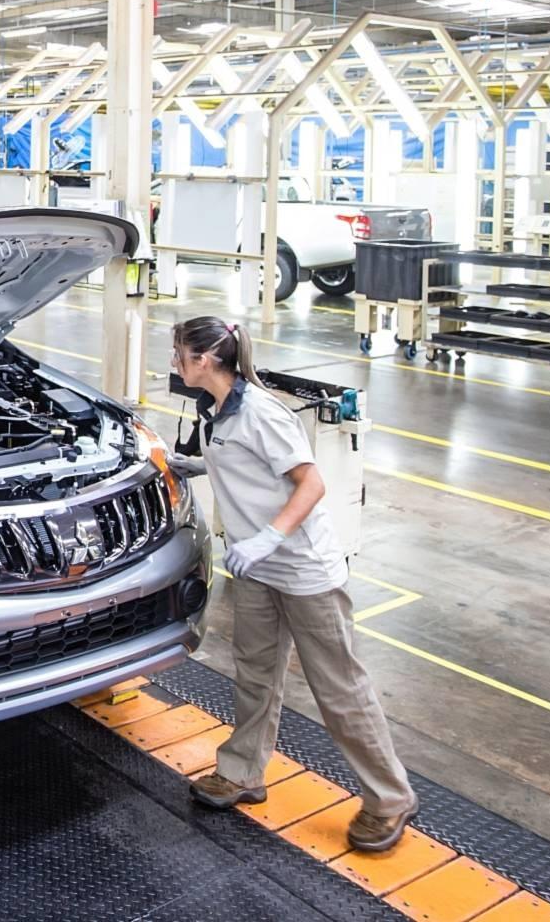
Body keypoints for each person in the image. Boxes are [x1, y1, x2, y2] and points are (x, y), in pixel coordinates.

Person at [170, 315, 419, 853]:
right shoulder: (214, 409)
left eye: (179, 353)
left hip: (304, 572)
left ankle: (389, 798)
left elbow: (311, 483)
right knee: (255, 675)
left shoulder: (262, 412)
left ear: (205, 360)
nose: (175, 362)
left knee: (339, 687)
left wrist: (267, 538)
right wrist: (191, 465)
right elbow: (246, 467)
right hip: (258, 571)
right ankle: (242, 772)